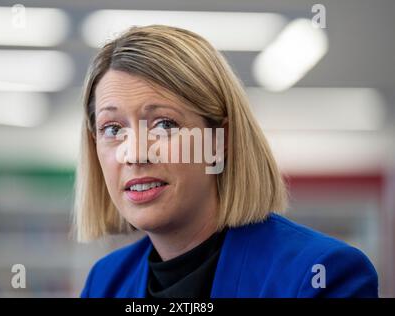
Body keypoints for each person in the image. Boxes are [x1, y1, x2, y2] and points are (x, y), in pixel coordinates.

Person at [74, 25, 378, 298]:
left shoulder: (320, 275)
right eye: (112, 129)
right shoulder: (105, 282)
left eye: (164, 125)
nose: (135, 154)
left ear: (221, 140)